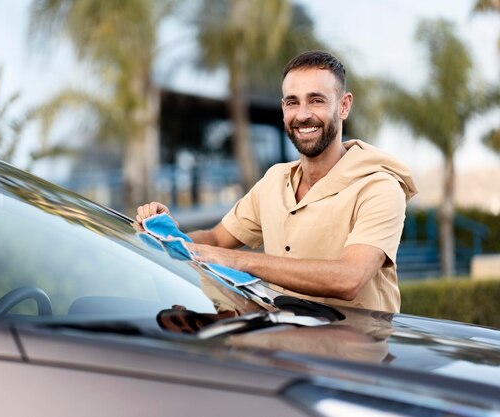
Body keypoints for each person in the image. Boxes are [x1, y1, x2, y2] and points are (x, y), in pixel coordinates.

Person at [136, 50, 417, 313]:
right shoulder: (274, 180)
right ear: (283, 108)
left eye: (316, 100)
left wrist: (240, 261)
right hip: (280, 349)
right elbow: (214, 240)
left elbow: (350, 278)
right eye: (293, 102)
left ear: (343, 106)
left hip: (356, 358)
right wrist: (163, 233)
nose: (303, 114)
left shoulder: (380, 187)